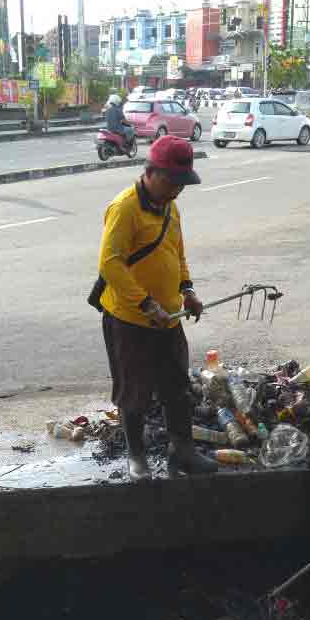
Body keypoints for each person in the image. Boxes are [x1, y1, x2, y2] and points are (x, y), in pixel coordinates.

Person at [97, 136, 216, 482]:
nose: (178, 190)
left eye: (182, 184)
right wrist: (146, 303)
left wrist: (187, 289)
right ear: (151, 172)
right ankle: (137, 456)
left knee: (177, 388)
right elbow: (111, 264)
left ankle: (182, 449)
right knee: (133, 392)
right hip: (130, 319)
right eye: (173, 182)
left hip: (168, 319)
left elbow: (176, 253)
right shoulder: (124, 208)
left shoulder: (170, 207)